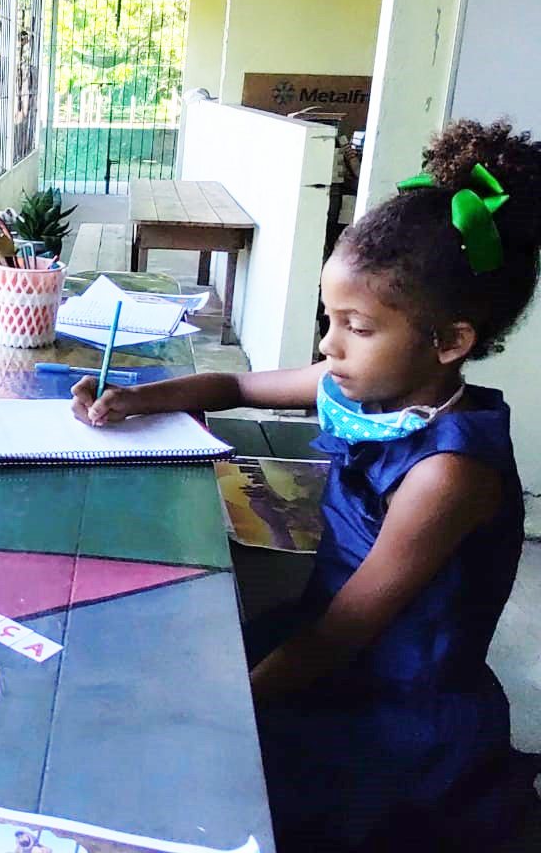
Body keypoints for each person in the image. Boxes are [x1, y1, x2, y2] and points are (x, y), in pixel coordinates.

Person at [72, 120, 541, 850]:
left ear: (449, 342)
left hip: (392, 704)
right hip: (322, 645)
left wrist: (227, 704)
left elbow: (345, 634)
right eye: (330, 318)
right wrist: (141, 397)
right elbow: (234, 380)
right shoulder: (359, 386)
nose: (328, 344)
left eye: (355, 325)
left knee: (205, 783)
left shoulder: (448, 474)